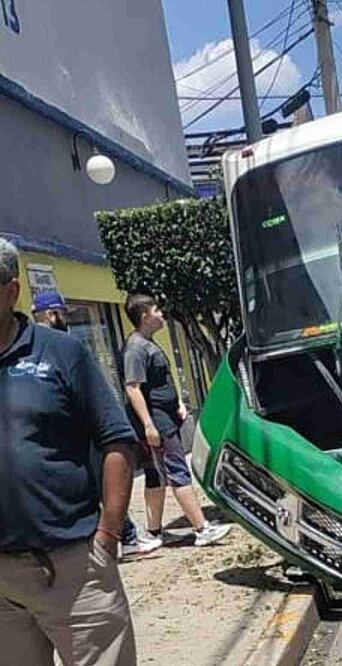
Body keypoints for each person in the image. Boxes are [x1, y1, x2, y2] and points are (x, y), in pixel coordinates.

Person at [0, 238, 138, 664]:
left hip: (74, 569)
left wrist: (109, 535)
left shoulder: (61, 353)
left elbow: (117, 439)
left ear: (11, 290)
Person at [32, 290, 163, 559]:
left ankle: (120, 535)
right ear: (52, 314)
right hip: (80, 431)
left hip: (59, 437)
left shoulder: (32, 348)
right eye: (64, 313)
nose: (67, 319)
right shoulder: (61, 347)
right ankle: (125, 536)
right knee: (106, 482)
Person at [122, 293, 230, 547]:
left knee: (155, 476)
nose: (162, 314)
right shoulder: (135, 348)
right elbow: (133, 388)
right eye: (157, 310)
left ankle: (153, 532)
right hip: (157, 422)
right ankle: (202, 529)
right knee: (177, 471)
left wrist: (178, 403)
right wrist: (148, 424)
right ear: (145, 316)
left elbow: (160, 381)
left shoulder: (148, 343)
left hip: (166, 417)